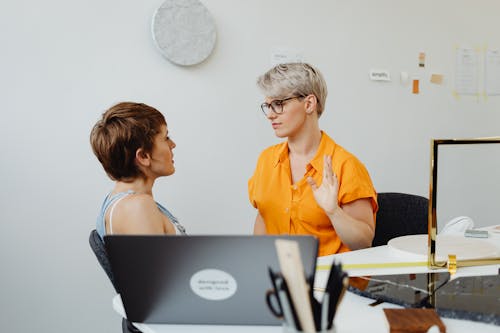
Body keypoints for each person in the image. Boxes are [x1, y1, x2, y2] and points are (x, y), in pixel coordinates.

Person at [248, 63, 377, 256]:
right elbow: (264, 218)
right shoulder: (267, 159)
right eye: (268, 106)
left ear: (309, 104)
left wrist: (334, 212)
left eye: (279, 104)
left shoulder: (346, 166)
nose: (271, 114)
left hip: (329, 282)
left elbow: (364, 243)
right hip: (281, 277)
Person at [90, 102, 186, 240]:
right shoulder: (138, 207)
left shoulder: (118, 199)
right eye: (166, 138)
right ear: (143, 156)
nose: (173, 145)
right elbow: (156, 262)